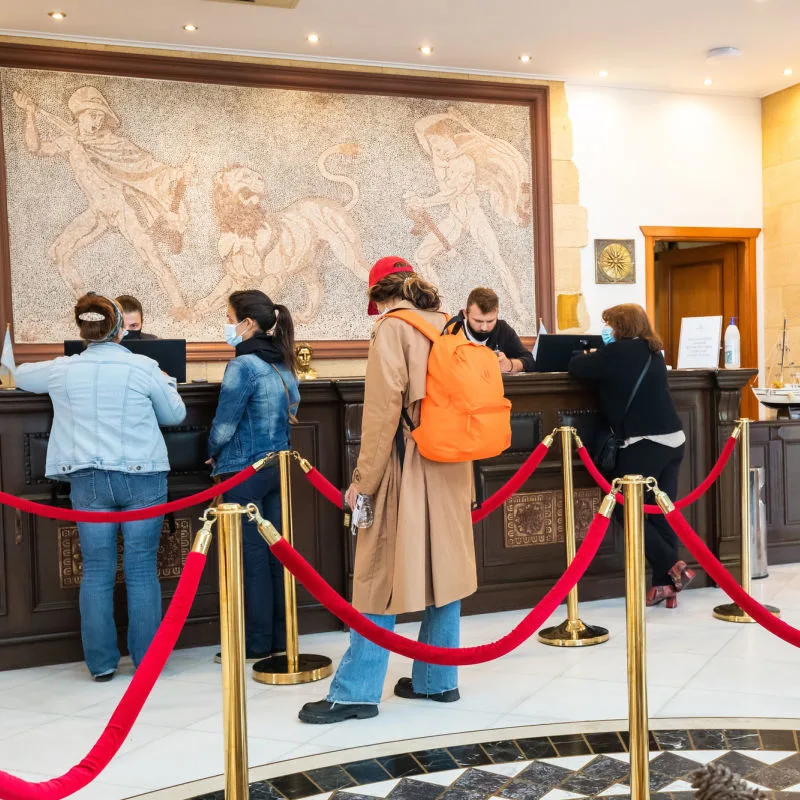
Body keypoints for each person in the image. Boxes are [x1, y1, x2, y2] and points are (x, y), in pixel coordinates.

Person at [299, 256, 477, 725]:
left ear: (378, 297)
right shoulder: (448, 326)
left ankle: (357, 691)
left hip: (407, 462)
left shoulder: (391, 330)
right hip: (452, 464)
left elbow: (380, 418)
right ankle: (438, 681)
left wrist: (362, 483)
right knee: (446, 570)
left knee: (375, 572)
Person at [15, 293, 186, 680]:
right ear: (121, 329)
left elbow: (20, 374)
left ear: (83, 330)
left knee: (96, 570)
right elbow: (175, 414)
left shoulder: (63, 369)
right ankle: (147, 662)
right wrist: (166, 380)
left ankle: (102, 664)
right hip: (142, 475)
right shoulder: (144, 367)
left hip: (88, 477)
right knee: (142, 569)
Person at [568, 303, 694, 607]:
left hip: (644, 443)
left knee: (626, 510)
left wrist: (586, 354)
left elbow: (576, 367)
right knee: (660, 511)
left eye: (610, 325)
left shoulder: (616, 353)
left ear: (620, 328)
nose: (607, 331)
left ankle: (674, 566)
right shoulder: (653, 351)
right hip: (674, 440)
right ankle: (666, 587)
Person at [207, 290, 299, 663]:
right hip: (278, 467)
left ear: (246, 323)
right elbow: (294, 405)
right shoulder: (282, 362)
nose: (227, 325)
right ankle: (278, 635)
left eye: (229, 317)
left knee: (252, 557)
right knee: (276, 553)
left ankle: (257, 641)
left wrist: (210, 451)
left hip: (243, 468)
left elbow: (225, 424)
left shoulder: (243, 365)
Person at [456, 287, 535, 373]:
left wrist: (510, 365)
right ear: (465, 314)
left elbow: (530, 361)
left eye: (490, 321)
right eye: (478, 321)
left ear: (497, 315)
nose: (484, 328)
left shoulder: (503, 329)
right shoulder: (451, 331)